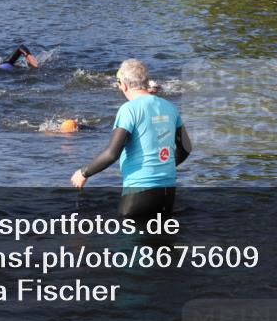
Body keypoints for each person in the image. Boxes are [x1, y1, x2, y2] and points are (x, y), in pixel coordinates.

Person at [71, 59, 192, 219]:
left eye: (119, 82)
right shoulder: (169, 107)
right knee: (161, 241)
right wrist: (163, 166)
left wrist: (84, 173)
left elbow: (112, 153)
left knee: (128, 240)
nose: (120, 87)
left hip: (139, 191)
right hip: (168, 190)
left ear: (125, 84)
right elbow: (185, 148)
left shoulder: (128, 110)